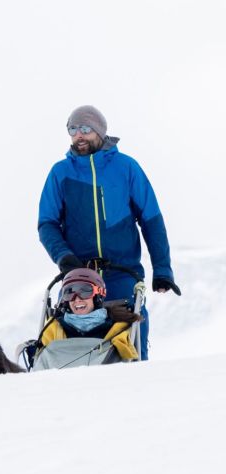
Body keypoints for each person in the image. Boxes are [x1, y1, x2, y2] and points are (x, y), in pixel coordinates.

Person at [38, 105, 180, 360]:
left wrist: (162, 269)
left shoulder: (126, 168)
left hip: (121, 274)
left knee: (132, 344)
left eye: (85, 129)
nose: (79, 135)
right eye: (73, 129)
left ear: (100, 132)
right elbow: (46, 223)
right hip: (78, 276)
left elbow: (151, 220)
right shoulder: (60, 173)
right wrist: (63, 257)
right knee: (62, 341)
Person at [38, 268, 139, 361]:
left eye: (85, 291)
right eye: (69, 293)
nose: (77, 299)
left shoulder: (117, 329)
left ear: (98, 296)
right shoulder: (54, 329)